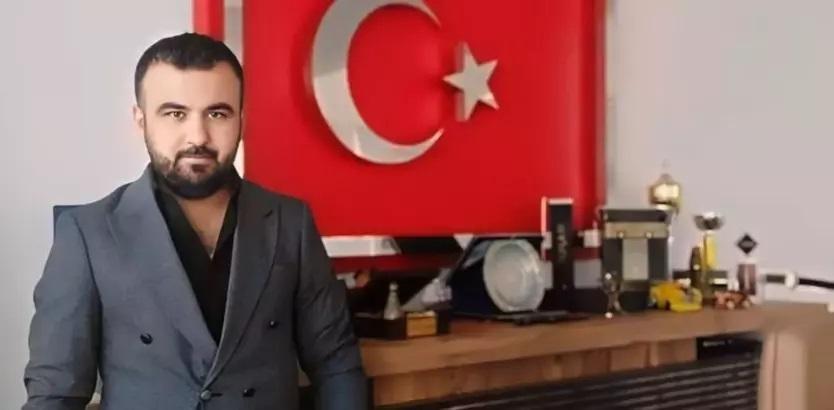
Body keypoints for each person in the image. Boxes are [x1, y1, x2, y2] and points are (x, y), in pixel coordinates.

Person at [22, 32, 366, 410]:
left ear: (241, 119)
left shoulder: (290, 222)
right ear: (141, 121)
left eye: (217, 113)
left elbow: (336, 363)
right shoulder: (87, 233)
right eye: (175, 114)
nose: (197, 136)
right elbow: (55, 394)